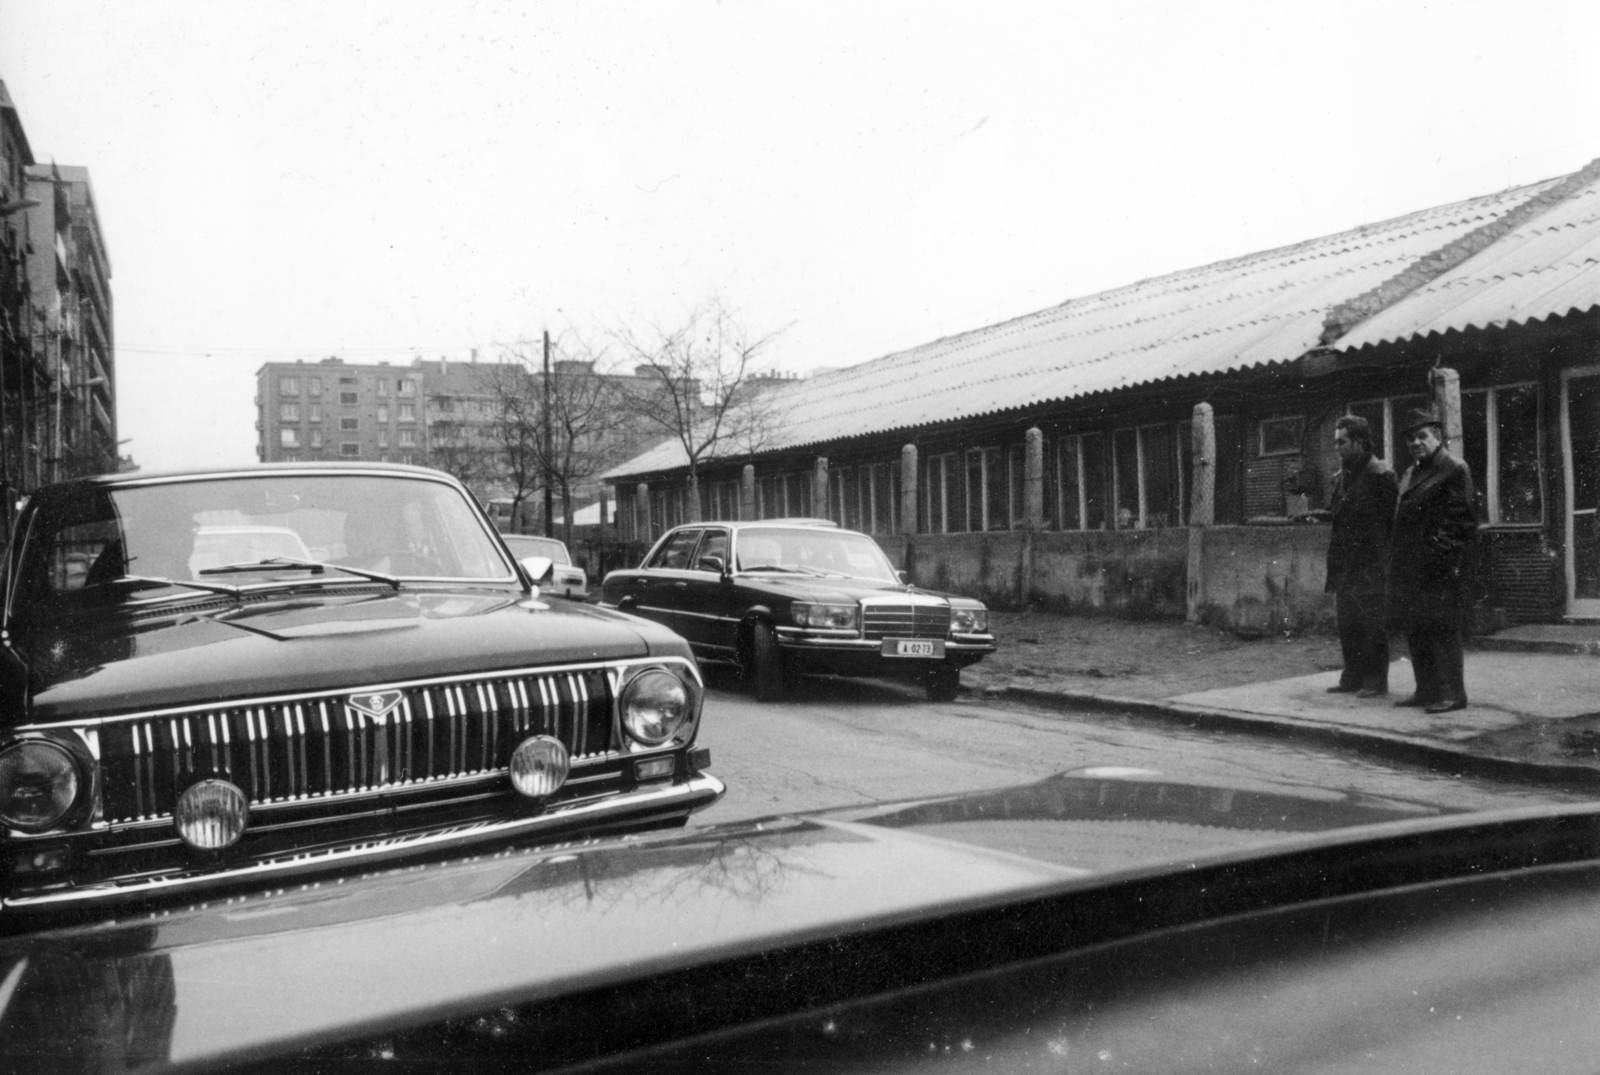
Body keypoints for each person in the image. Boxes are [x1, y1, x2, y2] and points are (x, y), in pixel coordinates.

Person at [1388, 407, 1478, 714]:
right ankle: (1426, 691)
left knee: (1443, 629)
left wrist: (1437, 558)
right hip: (1412, 567)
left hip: (1440, 567)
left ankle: (1453, 695)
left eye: (1422, 436)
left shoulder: (1455, 469)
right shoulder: (1412, 472)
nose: (1416, 442)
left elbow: (1462, 522)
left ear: (1437, 437)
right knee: (1417, 628)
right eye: (1411, 438)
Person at [1324, 415, 1398, 697]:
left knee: (1372, 623)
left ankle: (1375, 680)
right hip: (1345, 564)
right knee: (1349, 622)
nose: (1337, 448)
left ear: (1359, 442)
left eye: (1342, 442)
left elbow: (1392, 525)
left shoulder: (1382, 476)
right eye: (1336, 442)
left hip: (1371, 564)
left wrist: (1384, 564)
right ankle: (1352, 677)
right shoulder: (1340, 478)